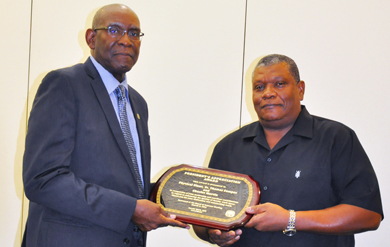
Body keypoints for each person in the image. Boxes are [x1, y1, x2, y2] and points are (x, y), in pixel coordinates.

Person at [22, 4, 188, 247]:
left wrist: (176, 191)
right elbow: (43, 179)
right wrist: (130, 209)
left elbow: (124, 185)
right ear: (91, 38)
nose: (125, 40)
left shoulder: (138, 103)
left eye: (134, 33)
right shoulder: (64, 85)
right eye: (113, 30)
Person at [193, 54, 383, 247]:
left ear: (300, 90)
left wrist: (290, 220)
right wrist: (212, 233)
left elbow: (368, 215)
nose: (267, 93)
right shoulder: (227, 148)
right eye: (259, 87)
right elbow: (201, 218)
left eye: (279, 84)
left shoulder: (336, 138)